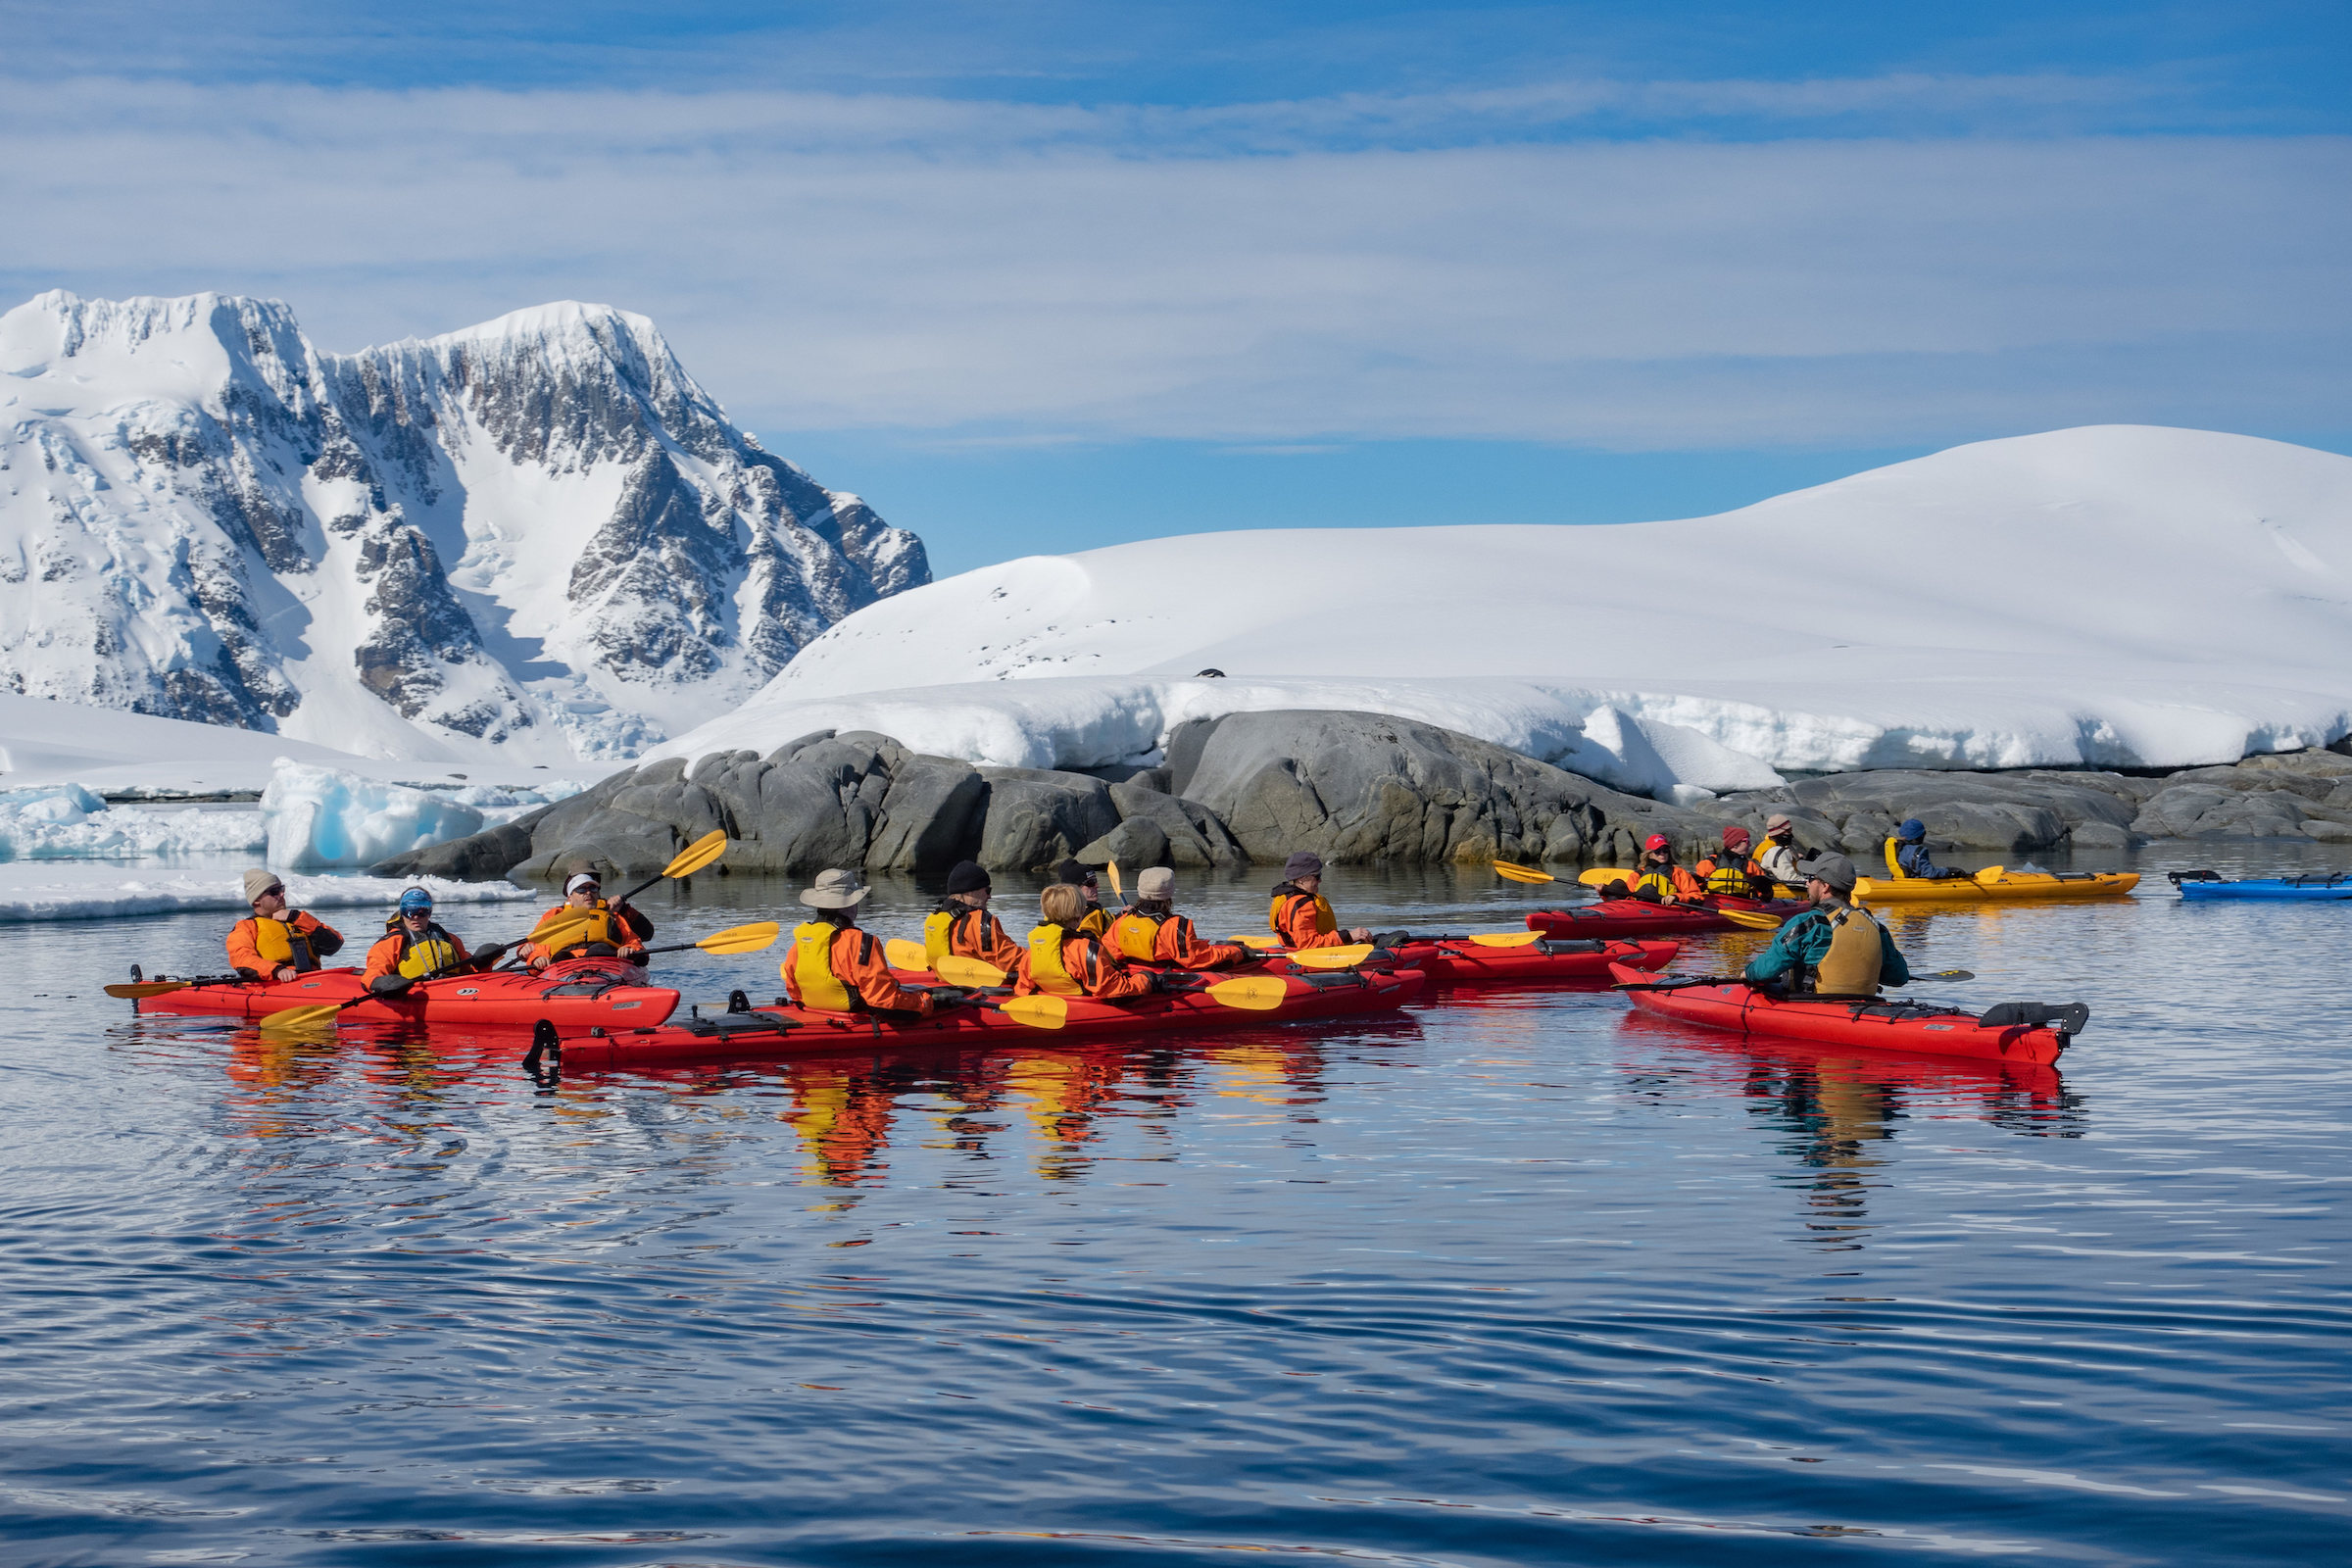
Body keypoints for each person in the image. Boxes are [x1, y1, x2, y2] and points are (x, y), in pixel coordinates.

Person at [1743, 853, 1911, 997]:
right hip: (1863, 1006)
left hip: (1813, 1007)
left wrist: (1748, 973)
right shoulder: (1876, 927)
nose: (1807, 884)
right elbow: (1899, 977)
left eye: (1811, 879)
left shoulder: (1808, 924)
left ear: (1825, 886)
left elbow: (1766, 970)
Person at [785, 868, 937, 1014]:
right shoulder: (861, 942)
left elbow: (794, 992)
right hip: (854, 1015)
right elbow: (882, 1000)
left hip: (813, 1010)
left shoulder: (801, 940)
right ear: (850, 904)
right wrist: (924, 1002)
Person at [1017, 883, 1155, 999]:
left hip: (1055, 1005)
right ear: (1078, 915)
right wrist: (1147, 979)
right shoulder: (1087, 950)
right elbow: (1116, 991)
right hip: (1086, 1009)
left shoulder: (1032, 952)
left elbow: (1022, 989)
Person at [1109, 866, 1251, 970]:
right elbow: (1196, 959)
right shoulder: (1176, 926)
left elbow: (1110, 954)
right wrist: (1236, 952)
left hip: (1136, 973)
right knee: (1232, 959)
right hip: (1167, 980)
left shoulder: (1121, 922)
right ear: (1170, 893)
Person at [225, 868, 345, 982]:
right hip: (276, 983)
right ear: (257, 900)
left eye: (281, 889)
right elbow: (241, 958)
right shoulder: (246, 927)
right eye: (274, 892)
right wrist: (277, 970)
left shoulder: (298, 920)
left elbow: (334, 944)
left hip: (313, 980)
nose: (282, 894)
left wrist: (297, 918)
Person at [522, 870, 652, 969]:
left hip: (606, 965)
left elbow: (633, 941)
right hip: (565, 967)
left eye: (593, 888)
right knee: (560, 956)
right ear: (570, 898)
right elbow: (539, 946)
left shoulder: (613, 916)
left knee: (599, 949)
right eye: (581, 890)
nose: (588, 893)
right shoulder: (556, 918)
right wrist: (537, 959)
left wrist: (629, 949)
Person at [361, 887, 474, 993]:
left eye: (422, 912)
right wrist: (379, 983)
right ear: (402, 913)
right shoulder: (392, 942)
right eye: (409, 911)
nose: (415, 917)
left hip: (454, 989)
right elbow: (374, 971)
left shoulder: (449, 939)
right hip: (414, 993)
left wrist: (483, 963)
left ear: (429, 912)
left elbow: (469, 970)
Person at [923, 859, 1027, 970]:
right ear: (969, 891)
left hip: (944, 979)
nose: (989, 896)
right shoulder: (981, 922)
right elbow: (1008, 961)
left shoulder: (934, 917)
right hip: (976, 985)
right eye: (987, 890)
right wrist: (1036, 955)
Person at [1268, 851, 1373, 948]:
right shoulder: (1302, 905)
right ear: (1301, 879)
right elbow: (1308, 944)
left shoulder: (1288, 898)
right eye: (1317, 876)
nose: (1320, 880)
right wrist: (1348, 936)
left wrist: (1351, 937)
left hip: (1297, 949)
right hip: (1310, 957)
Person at [1624, 835, 1705, 904]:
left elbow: (1697, 896)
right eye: (1658, 851)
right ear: (1649, 854)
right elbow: (1629, 898)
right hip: (1642, 908)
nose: (1662, 853)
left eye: (1665, 850)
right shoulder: (1637, 875)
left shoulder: (1678, 873)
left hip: (1669, 910)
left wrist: (1676, 897)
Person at [1695, 826, 1770, 899]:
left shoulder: (1751, 866)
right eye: (1747, 841)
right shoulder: (1710, 863)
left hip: (1742, 904)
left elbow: (1764, 895)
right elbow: (1697, 887)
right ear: (1735, 844)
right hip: (1714, 902)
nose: (1750, 845)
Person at [1889, 818, 1969, 880]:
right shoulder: (1919, 851)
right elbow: (1930, 874)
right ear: (1920, 836)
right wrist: (1949, 871)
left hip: (1902, 881)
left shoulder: (1898, 849)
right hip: (1916, 885)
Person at [1053, 858, 1111, 935]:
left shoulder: (1052, 914)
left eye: (1095, 881)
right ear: (1075, 888)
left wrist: (1122, 915)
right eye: (1091, 883)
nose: (1097, 886)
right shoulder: (1092, 914)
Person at [1752, 814, 1802, 887]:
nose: (1791, 834)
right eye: (1788, 831)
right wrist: (1813, 885)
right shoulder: (1775, 851)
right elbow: (1790, 880)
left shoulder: (1766, 845)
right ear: (1778, 832)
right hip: (1782, 893)